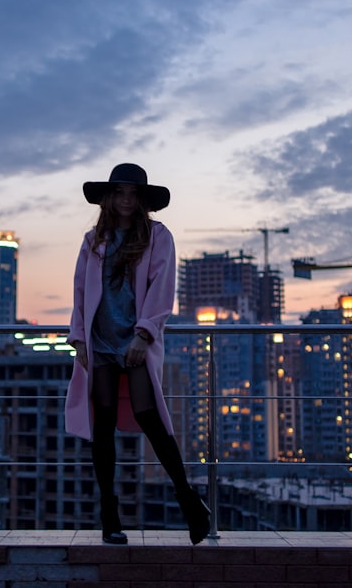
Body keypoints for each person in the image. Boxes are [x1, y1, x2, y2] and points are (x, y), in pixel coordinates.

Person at [64, 163, 211, 545]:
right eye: (119, 192)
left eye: (132, 193)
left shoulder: (157, 236)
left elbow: (163, 288)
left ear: (142, 199)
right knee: (104, 424)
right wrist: (78, 337)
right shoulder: (93, 239)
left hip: (136, 341)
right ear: (109, 197)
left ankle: (188, 499)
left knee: (149, 416)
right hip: (99, 342)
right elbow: (79, 291)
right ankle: (109, 518)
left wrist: (145, 334)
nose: (126, 199)